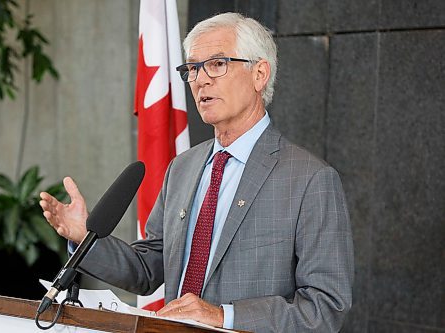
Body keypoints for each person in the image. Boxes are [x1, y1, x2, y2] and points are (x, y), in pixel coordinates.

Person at [40, 12, 354, 333]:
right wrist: (84, 238)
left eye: (217, 64)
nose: (201, 79)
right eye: (191, 68)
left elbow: (325, 307)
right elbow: (149, 269)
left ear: (259, 74)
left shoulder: (309, 179)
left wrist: (222, 316)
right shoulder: (183, 167)